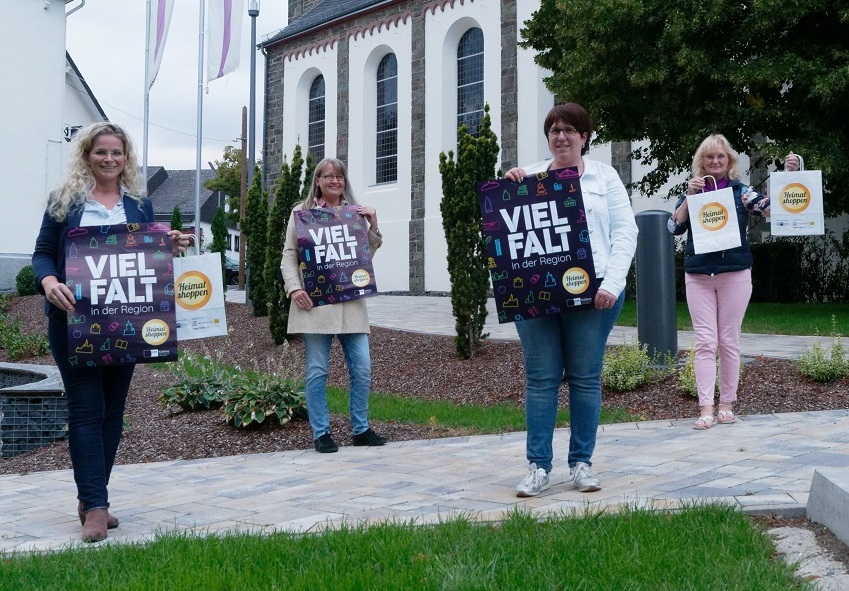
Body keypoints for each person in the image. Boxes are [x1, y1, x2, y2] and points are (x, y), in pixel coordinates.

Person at [32, 122, 191, 542]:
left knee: (114, 412)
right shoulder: (64, 202)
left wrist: (167, 244)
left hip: (128, 322)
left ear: (126, 159)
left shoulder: (139, 203)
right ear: (86, 155)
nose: (108, 159)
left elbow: (147, 252)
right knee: (86, 409)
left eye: (116, 153)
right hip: (73, 321)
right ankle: (97, 508)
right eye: (100, 152)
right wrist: (48, 283)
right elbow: (43, 254)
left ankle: (91, 498)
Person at [504, 103, 638, 496]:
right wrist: (509, 187)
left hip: (593, 292)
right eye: (554, 130)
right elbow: (506, 231)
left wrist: (611, 284)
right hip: (536, 294)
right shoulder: (527, 176)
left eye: (570, 130)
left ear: (584, 136)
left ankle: (581, 464)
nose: (561, 136)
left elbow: (625, 233)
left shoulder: (605, 176)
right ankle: (538, 467)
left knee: (584, 377)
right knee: (541, 379)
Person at [668, 135, 799, 430]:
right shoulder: (693, 190)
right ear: (701, 162)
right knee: (704, 343)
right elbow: (673, 226)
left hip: (734, 274)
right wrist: (689, 198)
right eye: (709, 157)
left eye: (721, 157)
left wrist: (790, 177)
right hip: (698, 276)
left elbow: (769, 208)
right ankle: (705, 408)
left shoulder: (740, 192)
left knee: (729, 342)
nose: (715, 161)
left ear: (729, 162)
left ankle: (726, 404)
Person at [280, 157, 387, 453]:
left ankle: (361, 428)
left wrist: (373, 225)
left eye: (339, 176)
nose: (334, 181)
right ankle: (321, 432)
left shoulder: (354, 214)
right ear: (317, 180)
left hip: (350, 303)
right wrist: (294, 288)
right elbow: (289, 255)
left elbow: (362, 260)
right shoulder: (302, 214)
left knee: (363, 368)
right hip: (315, 303)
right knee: (317, 370)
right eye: (328, 176)